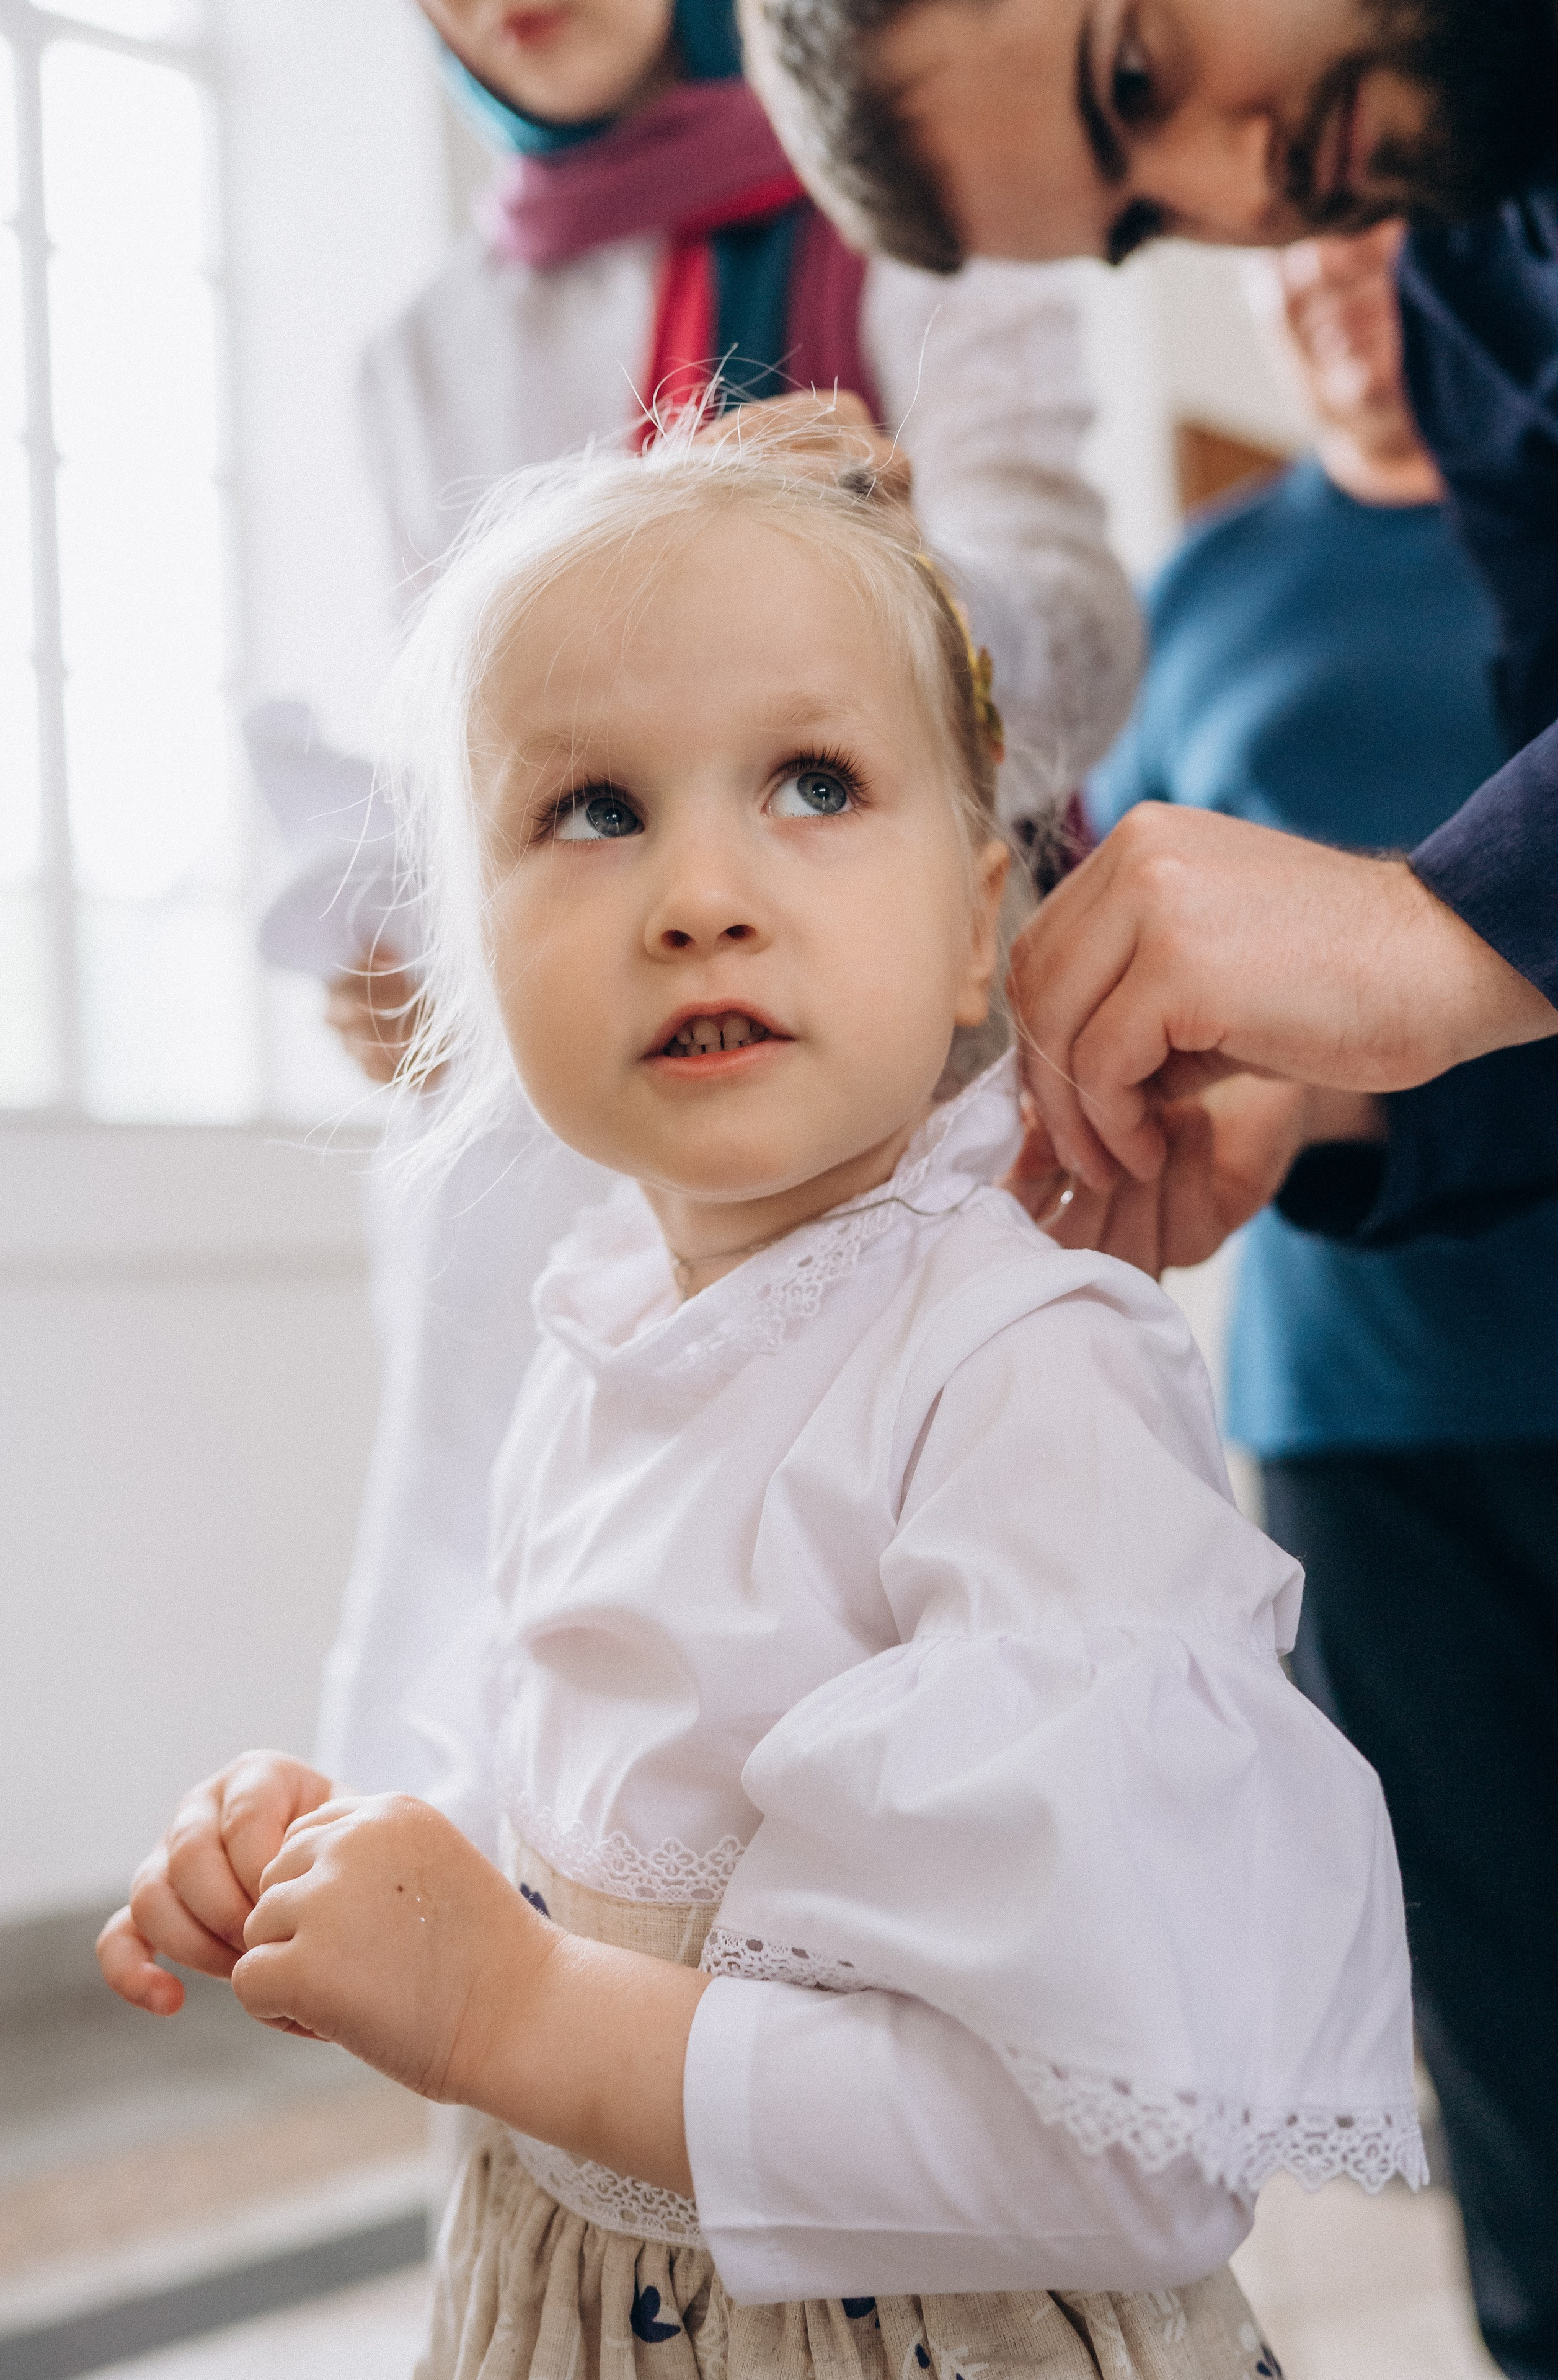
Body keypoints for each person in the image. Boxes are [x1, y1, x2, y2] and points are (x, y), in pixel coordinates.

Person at [101, 430, 1422, 2379]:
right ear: (468, 957)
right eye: (593, 809)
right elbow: (583, 1801)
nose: (702, 891)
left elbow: (1118, 2145)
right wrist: (360, 1846)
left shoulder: (1015, 1371)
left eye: (814, 783)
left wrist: (521, 2018)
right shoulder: (602, 1336)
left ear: (985, 917)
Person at [272, 0, 1141, 1796]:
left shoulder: (915, 193)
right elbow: (442, 777)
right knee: (520, 1710)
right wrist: (397, 959)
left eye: (807, 781)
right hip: (538, 1180)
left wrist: (877, 576)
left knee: (866, 1707)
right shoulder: (413, 353)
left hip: (857, 1130)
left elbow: (1076, 640)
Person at [739, 0, 1558, 1258]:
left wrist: (1439, 927)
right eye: (1144, 223)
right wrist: (1319, 1096)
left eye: (1132, 75)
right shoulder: (1472, 300)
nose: (1242, 189)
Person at [1087, 220, 1558, 2380]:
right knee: (1504, 2027)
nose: (1329, 287)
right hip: (1362, 1411)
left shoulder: (1530, 510)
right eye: (1276, 260)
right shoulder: (1206, 590)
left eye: (1368, 237)